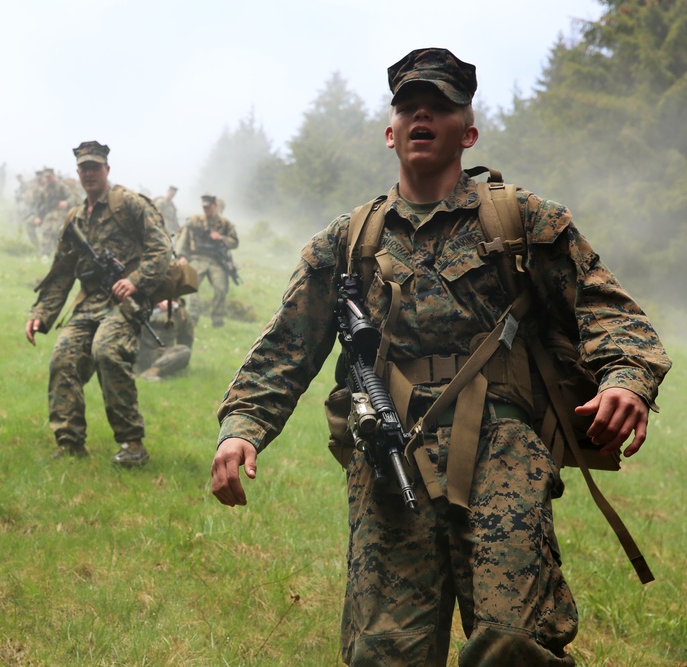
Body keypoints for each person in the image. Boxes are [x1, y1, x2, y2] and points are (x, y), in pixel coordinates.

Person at [208, 48, 670, 666]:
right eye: (409, 107)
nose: (422, 116)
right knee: (384, 652)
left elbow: (607, 309)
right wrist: (241, 431)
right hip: (388, 456)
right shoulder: (349, 241)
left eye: (441, 107)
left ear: (468, 130)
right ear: (390, 131)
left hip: (505, 454)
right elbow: (286, 348)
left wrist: (628, 379)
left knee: (516, 649)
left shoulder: (521, 219)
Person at [25, 141, 171, 467]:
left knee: (106, 351)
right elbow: (62, 271)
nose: (89, 173)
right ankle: (70, 443)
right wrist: (41, 314)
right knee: (63, 359)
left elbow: (161, 250)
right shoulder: (75, 219)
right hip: (89, 303)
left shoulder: (129, 204)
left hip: (126, 303)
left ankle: (133, 444)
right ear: (77, 173)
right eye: (84, 168)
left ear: (107, 169)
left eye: (95, 167)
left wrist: (135, 280)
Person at [174, 194, 238, 327]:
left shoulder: (224, 223)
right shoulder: (194, 221)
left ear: (215, 206)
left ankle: (217, 320)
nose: (206, 209)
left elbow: (235, 242)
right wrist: (181, 256)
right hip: (197, 258)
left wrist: (221, 237)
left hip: (216, 261)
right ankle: (192, 317)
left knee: (221, 289)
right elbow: (182, 239)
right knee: (192, 286)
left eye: (208, 207)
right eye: (204, 207)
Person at [134, 298, 194, 380]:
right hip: (140, 353)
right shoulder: (139, 301)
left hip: (163, 356)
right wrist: (153, 307)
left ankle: (152, 372)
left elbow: (187, 341)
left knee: (185, 351)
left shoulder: (180, 313)